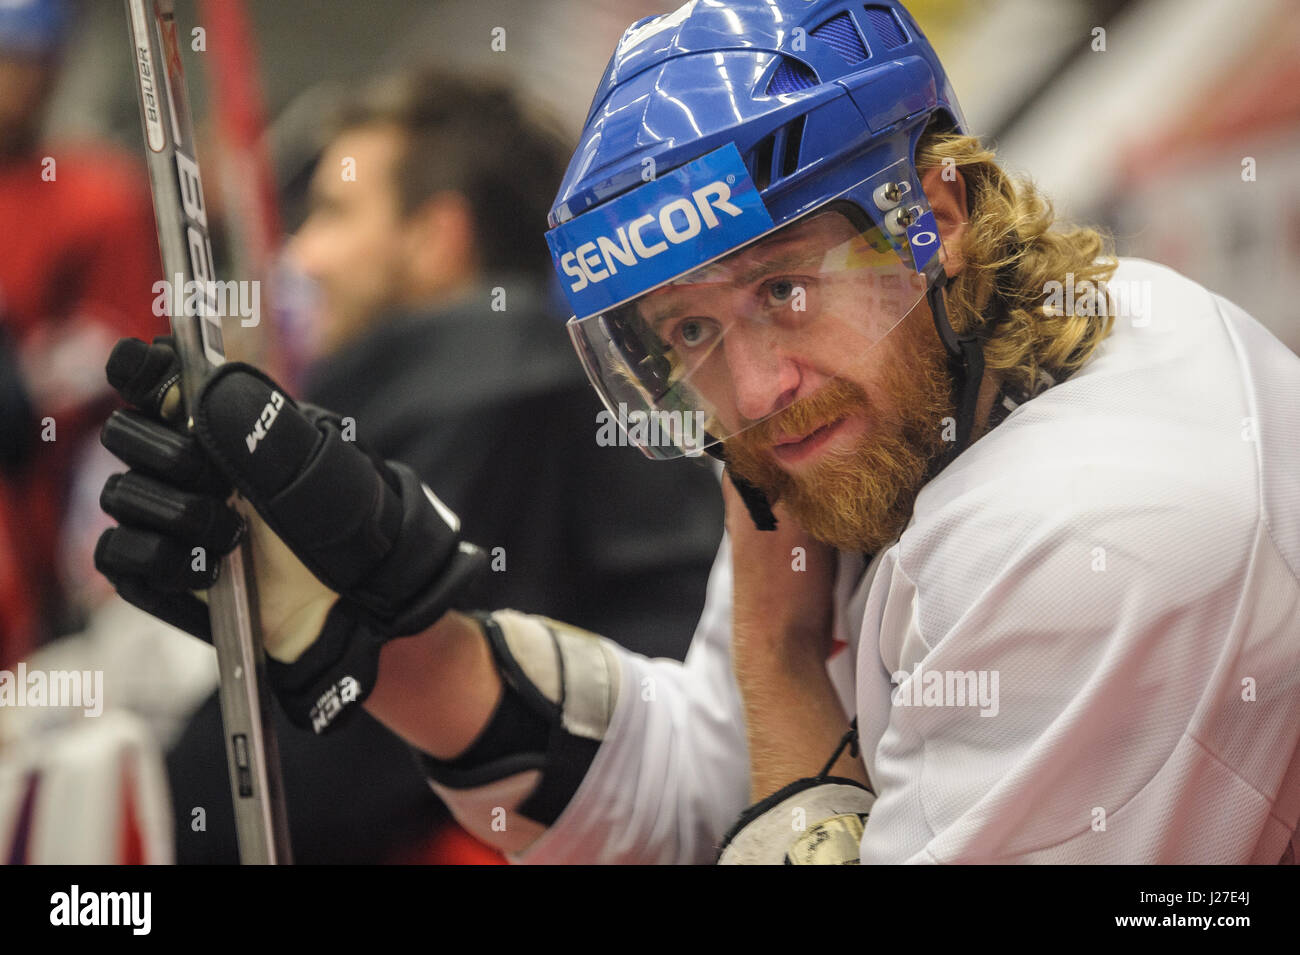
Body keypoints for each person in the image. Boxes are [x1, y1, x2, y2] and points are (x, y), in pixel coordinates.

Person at [94, 0, 1300, 864]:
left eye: (783, 284)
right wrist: (388, 639)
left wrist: (780, 668)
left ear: (933, 212)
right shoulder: (908, 398)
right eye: (684, 333)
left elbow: (762, 745)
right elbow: (697, 786)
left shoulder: (1096, 539)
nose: (758, 384)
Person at [161, 70, 723, 864]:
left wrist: (130, 817)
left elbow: (325, 769)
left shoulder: (490, 393)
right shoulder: (518, 374)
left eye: (333, 212)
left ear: (437, 236)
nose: (301, 254)